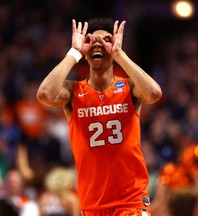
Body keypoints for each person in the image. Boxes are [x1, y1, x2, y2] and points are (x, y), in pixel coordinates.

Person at [37, 17, 162, 216]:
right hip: (92, 203)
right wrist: (74, 52)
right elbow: (44, 94)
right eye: (92, 42)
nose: (98, 45)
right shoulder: (73, 91)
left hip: (132, 200)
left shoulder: (129, 87)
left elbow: (154, 94)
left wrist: (120, 54)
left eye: (106, 41)